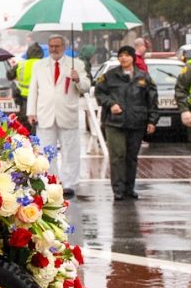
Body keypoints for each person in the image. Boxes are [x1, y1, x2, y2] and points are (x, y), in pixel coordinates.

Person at [27, 35, 92, 187]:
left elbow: (86, 87)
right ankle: (49, 182)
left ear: (64, 47)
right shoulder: (39, 65)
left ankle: (69, 183)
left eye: (57, 46)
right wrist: (31, 112)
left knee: (70, 152)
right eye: (51, 46)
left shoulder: (76, 64)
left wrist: (78, 79)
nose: (54, 49)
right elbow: (33, 90)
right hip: (45, 114)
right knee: (46, 152)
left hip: (67, 114)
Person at [94, 46, 156, 201]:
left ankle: (129, 188)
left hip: (137, 122)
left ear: (133, 58)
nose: (123, 58)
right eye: (121, 55)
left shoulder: (143, 77)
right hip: (115, 123)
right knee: (118, 155)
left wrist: (152, 120)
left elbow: (152, 100)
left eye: (127, 55)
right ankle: (118, 189)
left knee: (131, 157)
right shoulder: (110, 76)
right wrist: (110, 104)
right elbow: (99, 92)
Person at [15, 41, 43, 124]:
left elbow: (10, 75)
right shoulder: (44, 64)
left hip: (24, 99)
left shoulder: (21, 64)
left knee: (25, 125)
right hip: (40, 99)